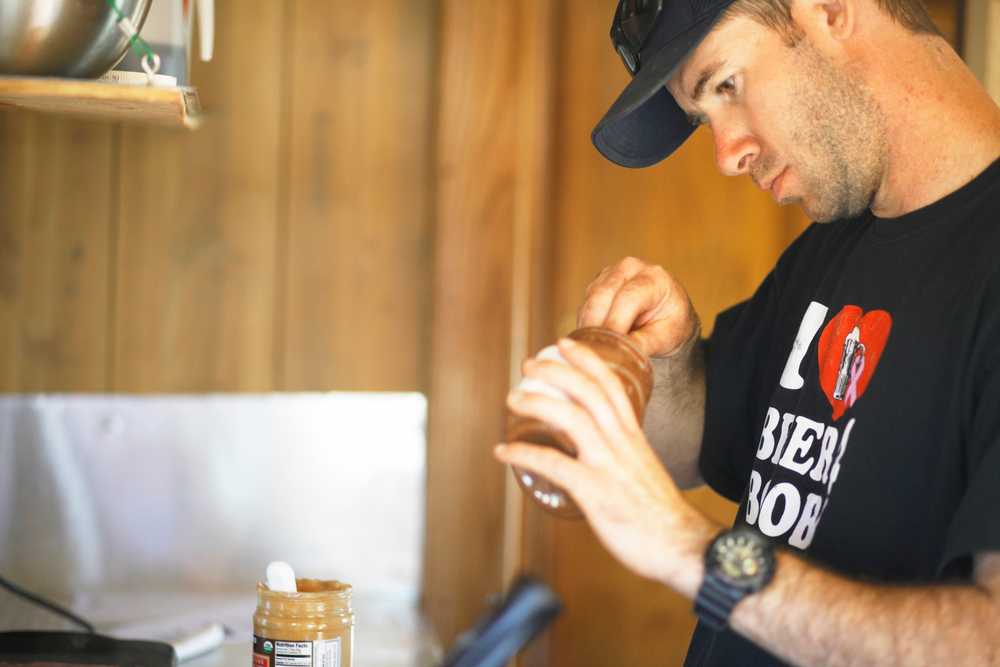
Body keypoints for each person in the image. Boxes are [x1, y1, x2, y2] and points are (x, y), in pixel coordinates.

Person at [493, 0, 1000, 663]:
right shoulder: (836, 246)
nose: (727, 156)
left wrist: (690, 551)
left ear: (827, 9)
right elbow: (699, 448)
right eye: (707, 116)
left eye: (727, 84)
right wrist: (670, 358)